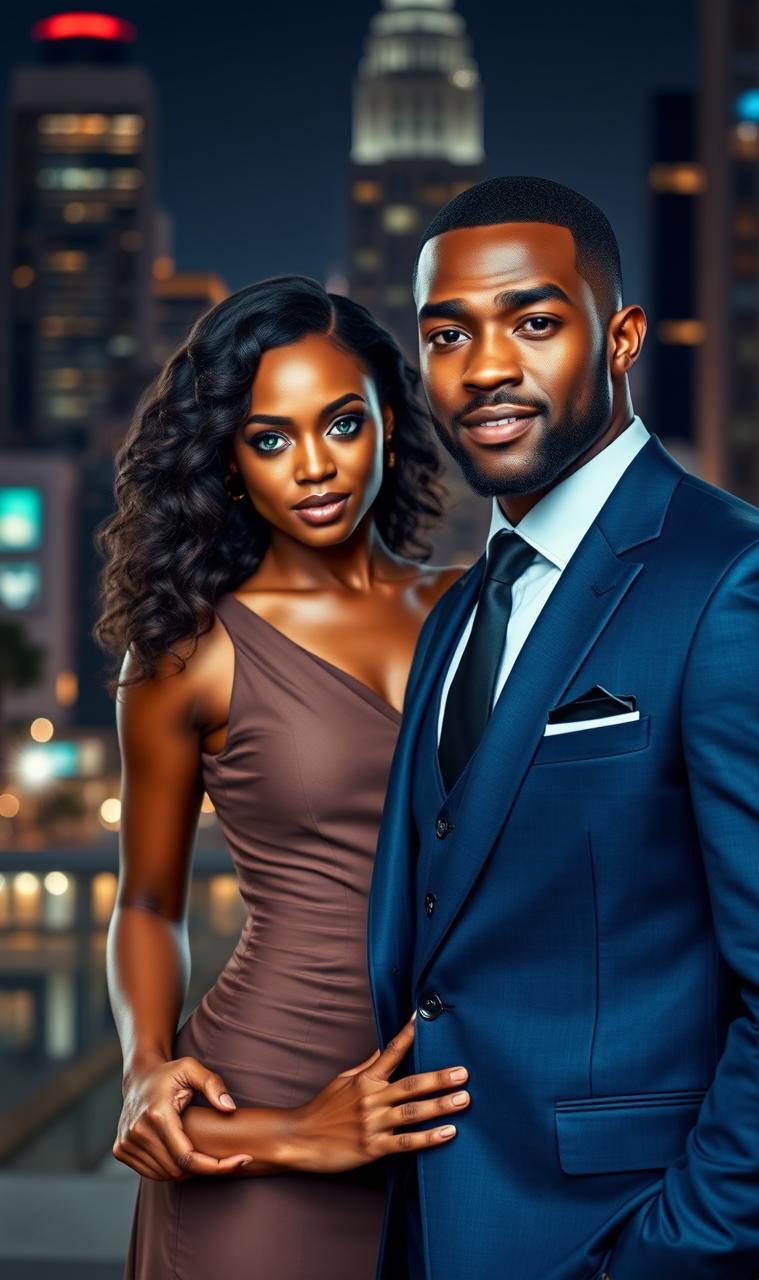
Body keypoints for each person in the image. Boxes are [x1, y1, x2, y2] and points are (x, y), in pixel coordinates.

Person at [367, 176, 759, 1280]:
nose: (484, 365)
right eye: (446, 333)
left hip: (629, 1245)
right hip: (432, 1237)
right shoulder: (457, 616)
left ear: (620, 337)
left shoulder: (742, 583)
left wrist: (663, 1262)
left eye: (533, 321)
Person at [94, 276, 472, 1280]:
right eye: (268, 438)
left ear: (389, 419)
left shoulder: (481, 606)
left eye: (341, 423)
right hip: (259, 1106)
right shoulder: (190, 652)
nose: (313, 465)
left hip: (463, 1108)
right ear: (227, 460)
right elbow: (148, 897)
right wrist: (144, 1067)